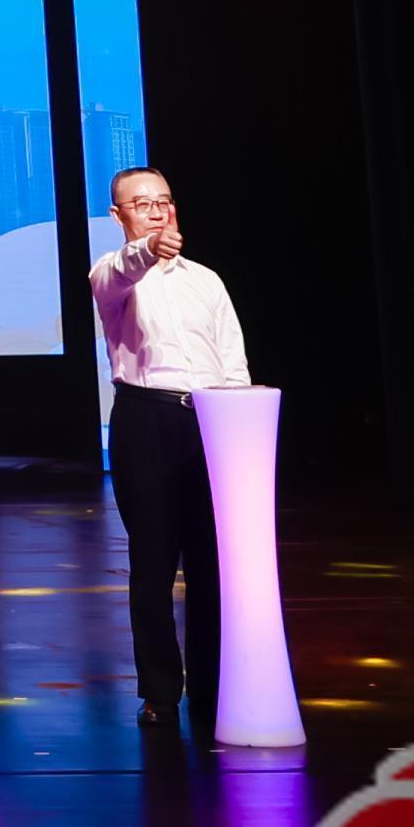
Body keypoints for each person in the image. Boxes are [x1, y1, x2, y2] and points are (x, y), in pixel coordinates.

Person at [85, 165, 250, 735]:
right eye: (143, 204)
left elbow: (232, 357)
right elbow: (123, 269)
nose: (157, 211)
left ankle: (213, 682)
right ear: (118, 216)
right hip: (146, 418)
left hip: (210, 418)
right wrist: (148, 250)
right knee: (153, 561)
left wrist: (238, 422)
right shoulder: (112, 273)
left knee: (211, 560)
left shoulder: (206, 280)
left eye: (165, 201)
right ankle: (159, 690)